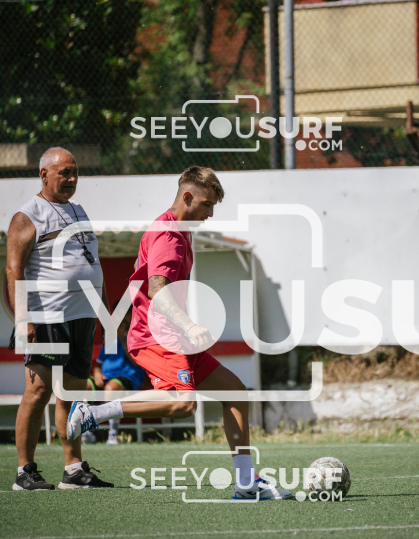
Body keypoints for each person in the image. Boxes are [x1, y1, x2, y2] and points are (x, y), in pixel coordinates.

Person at [67, 166, 292, 500]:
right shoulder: (168, 234)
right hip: (157, 336)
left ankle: (246, 484)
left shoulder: (180, 231)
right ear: (187, 197)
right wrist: (188, 325)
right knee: (184, 403)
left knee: (234, 392)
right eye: (206, 204)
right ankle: (95, 412)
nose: (210, 213)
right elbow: (158, 288)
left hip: (174, 336)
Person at [6, 147, 113, 490]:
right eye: (64, 172)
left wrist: (106, 314)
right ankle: (25, 472)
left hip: (83, 316)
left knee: (73, 394)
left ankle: (73, 470)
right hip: (47, 314)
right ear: (44, 175)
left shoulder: (79, 211)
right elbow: (13, 269)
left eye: (74, 172)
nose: (71, 178)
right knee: (38, 392)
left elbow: (93, 266)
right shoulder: (28, 214)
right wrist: (24, 319)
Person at [84, 303, 145, 445]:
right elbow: (99, 365)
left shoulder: (138, 335)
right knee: (83, 386)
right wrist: (97, 374)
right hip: (106, 377)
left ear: (133, 315)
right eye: (119, 314)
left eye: (126, 314)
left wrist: (123, 338)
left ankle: (113, 434)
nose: (122, 318)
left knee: (111, 388)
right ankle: (87, 431)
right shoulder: (111, 336)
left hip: (128, 378)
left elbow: (137, 362)